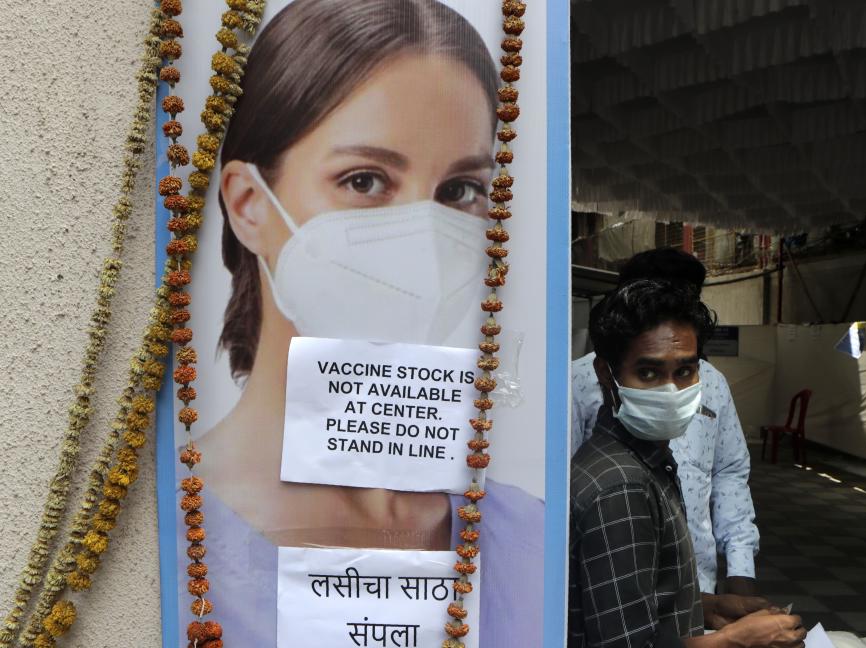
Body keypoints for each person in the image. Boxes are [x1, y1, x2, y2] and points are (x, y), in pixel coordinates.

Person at [176, 1, 544, 646]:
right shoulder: (172, 527)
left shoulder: (529, 534)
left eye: (460, 190)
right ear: (249, 204)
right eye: (365, 179)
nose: (426, 243)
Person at [569, 279, 807, 648]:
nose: (671, 391)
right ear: (606, 374)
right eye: (648, 373)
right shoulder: (622, 488)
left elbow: (625, 604)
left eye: (684, 372)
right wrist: (733, 641)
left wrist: (706, 605)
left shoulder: (644, 460)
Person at [571, 249, 760, 597]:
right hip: (609, 585)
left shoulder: (711, 382)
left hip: (696, 584)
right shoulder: (580, 381)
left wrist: (740, 568)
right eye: (647, 373)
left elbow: (729, 471)